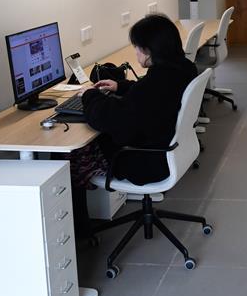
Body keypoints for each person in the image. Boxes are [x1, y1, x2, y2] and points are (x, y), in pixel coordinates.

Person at [68, 14, 198, 235]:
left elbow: (110, 120)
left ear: (148, 50)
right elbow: (149, 96)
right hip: (169, 150)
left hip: (144, 162)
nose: (135, 53)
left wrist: (90, 95)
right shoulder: (183, 68)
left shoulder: (154, 85)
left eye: (136, 47)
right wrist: (121, 86)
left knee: (72, 153)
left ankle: (80, 230)